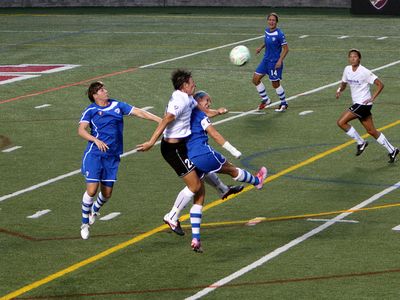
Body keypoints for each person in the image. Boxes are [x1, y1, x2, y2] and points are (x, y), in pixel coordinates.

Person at [137, 69, 235, 252]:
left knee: (201, 176)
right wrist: (151, 141)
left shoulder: (187, 98)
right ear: (184, 86)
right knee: (195, 186)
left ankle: (223, 189)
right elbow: (166, 119)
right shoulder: (179, 100)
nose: (194, 85)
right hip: (173, 150)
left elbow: (202, 111)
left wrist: (218, 112)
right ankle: (172, 216)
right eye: (192, 83)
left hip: (183, 147)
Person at [78, 81, 162, 240]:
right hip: (95, 154)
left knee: (107, 193)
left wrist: (160, 120)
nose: (106, 91)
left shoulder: (117, 105)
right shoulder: (91, 110)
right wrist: (95, 140)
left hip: (112, 155)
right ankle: (84, 223)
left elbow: (139, 112)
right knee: (92, 190)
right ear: (95, 95)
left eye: (104, 89)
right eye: (102, 90)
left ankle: (95, 209)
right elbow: (81, 130)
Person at [336, 49, 399, 163]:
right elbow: (344, 83)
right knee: (371, 131)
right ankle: (392, 150)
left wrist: (372, 97)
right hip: (358, 104)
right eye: (351, 56)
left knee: (341, 122)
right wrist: (340, 89)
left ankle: (361, 142)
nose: (353, 58)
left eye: (355, 56)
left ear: (359, 58)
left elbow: (380, 84)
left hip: (363, 104)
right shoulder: (347, 69)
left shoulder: (364, 71)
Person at [253, 12, 289, 112]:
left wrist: (280, 60)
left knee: (275, 84)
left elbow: (286, 49)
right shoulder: (267, 31)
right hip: (265, 60)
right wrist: (260, 47)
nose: (271, 22)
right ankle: (266, 100)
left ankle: (284, 103)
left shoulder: (279, 34)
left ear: (276, 22)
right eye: (270, 20)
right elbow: (266, 41)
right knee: (255, 79)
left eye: (273, 20)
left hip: (274, 62)